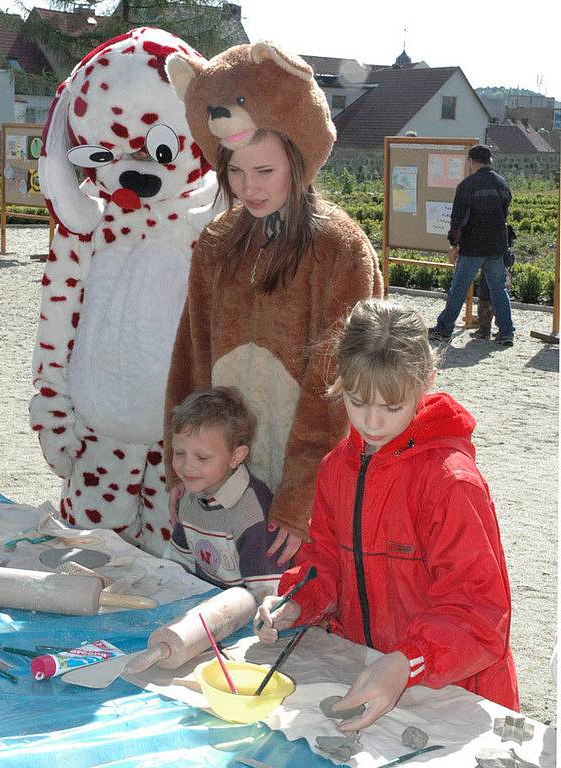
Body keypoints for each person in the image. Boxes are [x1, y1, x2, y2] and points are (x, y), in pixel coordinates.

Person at [163, 42, 383, 566]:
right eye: (235, 172)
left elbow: (340, 384)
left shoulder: (339, 248)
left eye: (264, 171)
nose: (248, 188)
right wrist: (185, 466)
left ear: (298, 158)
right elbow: (190, 357)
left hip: (305, 482)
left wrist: (300, 496)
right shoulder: (216, 242)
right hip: (222, 476)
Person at [255, 298, 519, 732]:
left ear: (426, 382)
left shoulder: (451, 483)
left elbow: (480, 614)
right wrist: (297, 601)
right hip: (369, 671)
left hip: (453, 690)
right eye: (357, 402)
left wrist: (408, 661)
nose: (372, 422)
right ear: (340, 382)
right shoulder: (337, 466)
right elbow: (325, 561)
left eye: (392, 407)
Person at [167, 387, 283, 599]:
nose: (186, 467)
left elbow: (267, 596)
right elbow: (177, 564)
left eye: (202, 458)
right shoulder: (190, 495)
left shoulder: (252, 514)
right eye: (180, 453)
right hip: (201, 605)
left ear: (236, 456)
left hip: (243, 617)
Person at [429, 144, 515, 346]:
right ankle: (506, 332)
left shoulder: (467, 185)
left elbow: (458, 219)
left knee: (458, 289)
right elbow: (504, 214)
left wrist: (454, 244)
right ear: (489, 161)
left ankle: (443, 329)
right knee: (498, 289)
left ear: (471, 161)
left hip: (473, 246)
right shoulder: (501, 183)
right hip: (497, 246)